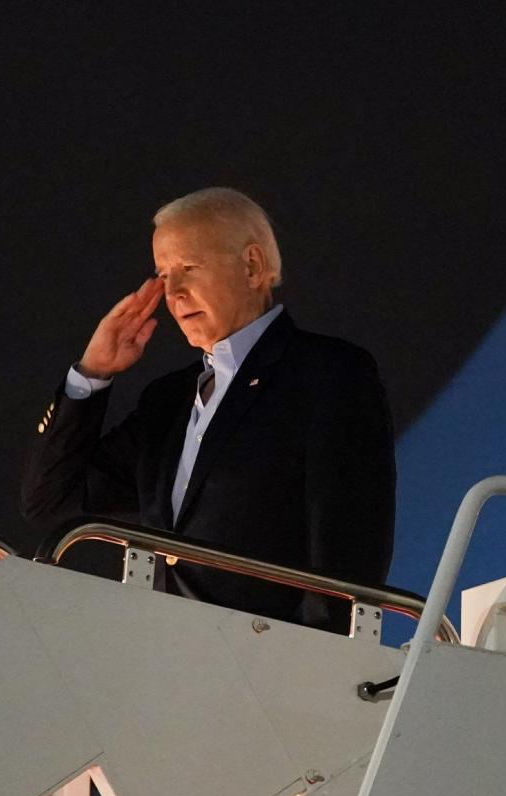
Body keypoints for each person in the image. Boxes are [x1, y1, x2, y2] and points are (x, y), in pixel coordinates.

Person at [20, 187, 395, 633]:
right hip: (161, 657)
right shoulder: (166, 401)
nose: (172, 291)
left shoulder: (327, 373)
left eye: (188, 268)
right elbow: (51, 502)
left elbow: (348, 551)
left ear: (252, 266)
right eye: (162, 273)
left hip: (271, 666)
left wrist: (315, 669)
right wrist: (92, 374)